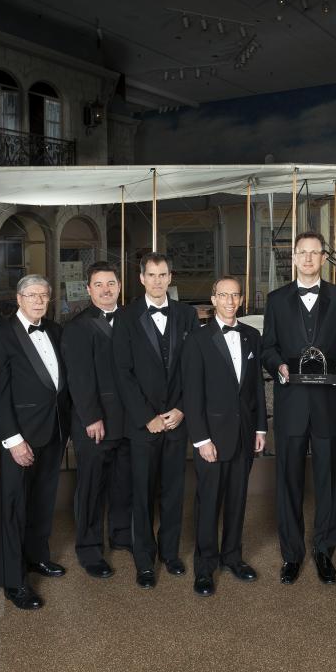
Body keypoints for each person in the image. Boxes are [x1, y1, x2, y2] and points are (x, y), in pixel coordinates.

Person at [261, 232, 336, 585]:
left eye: (314, 253)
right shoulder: (276, 300)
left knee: (328, 481)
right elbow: (267, 346)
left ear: (323, 258)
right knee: (287, 481)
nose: (307, 258)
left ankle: (323, 551)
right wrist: (278, 366)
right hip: (291, 405)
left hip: (328, 405)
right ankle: (291, 555)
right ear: (294, 257)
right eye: (302, 252)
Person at [0, 275, 71, 610]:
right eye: (32, 295)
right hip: (20, 436)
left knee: (42, 501)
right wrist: (12, 439)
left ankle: (37, 557)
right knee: (15, 508)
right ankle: (14, 580)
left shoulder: (56, 331)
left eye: (44, 296)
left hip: (54, 430)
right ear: (18, 298)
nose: (38, 301)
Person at [113, 253, 198, 589]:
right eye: (152, 275)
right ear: (141, 279)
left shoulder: (187, 314)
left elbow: (193, 368)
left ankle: (170, 553)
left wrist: (181, 409)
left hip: (177, 421)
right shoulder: (126, 316)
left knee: (174, 491)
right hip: (143, 424)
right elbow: (122, 373)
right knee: (142, 494)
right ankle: (144, 560)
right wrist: (146, 417)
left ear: (170, 276)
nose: (158, 281)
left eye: (163, 275)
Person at [181, 277, 267, 597]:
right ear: (213, 299)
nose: (230, 301)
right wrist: (201, 439)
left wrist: (260, 428)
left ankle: (233, 557)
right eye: (224, 295)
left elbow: (256, 386)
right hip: (212, 439)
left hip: (244, 435)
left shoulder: (251, 336)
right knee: (208, 503)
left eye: (235, 295)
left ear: (241, 299)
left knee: (237, 500)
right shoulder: (197, 340)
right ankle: (205, 566)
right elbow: (192, 395)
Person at [60, 262, 132, 580]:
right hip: (94, 422)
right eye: (99, 284)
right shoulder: (77, 327)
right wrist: (91, 417)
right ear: (88, 290)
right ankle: (89, 548)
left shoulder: (132, 320)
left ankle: (121, 534)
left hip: (129, 420)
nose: (106, 289)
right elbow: (79, 377)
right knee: (90, 486)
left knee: (122, 482)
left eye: (111, 283)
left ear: (119, 286)